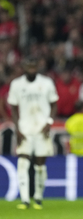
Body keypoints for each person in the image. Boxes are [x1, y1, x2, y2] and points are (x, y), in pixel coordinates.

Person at [7, 56, 59, 209]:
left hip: (42, 128)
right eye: (29, 67)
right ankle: (25, 200)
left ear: (37, 67)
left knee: (40, 165)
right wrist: (17, 128)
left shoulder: (46, 83)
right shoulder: (16, 84)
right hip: (25, 128)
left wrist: (49, 122)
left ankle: (38, 198)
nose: (31, 69)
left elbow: (54, 104)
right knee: (22, 162)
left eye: (33, 67)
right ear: (24, 67)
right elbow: (13, 108)